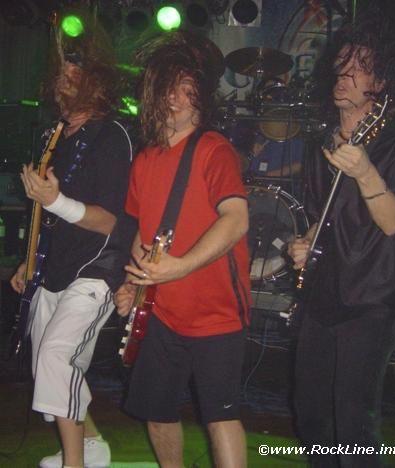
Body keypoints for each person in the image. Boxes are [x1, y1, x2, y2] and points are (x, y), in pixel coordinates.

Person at [287, 9, 395, 468]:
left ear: (382, 82)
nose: (344, 75)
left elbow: (393, 222)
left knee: (353, 422)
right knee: (311, 415)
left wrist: (366, 171)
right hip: (324, 291)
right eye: (342, 63)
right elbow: (322, 218)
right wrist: (303, 243)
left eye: (359, 67)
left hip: (373, 297)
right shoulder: (322, 144)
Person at [114, 30, 250, 468]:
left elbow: (236, 219)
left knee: (220, 417)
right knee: (156, 412)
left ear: (201, 97)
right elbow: (142, 235)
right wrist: (134, 284)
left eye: (185, 89)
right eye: (168, 87)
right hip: (161, 311)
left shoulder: (214, 150)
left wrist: (182, 266)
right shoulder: (144, 159)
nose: (175, 98)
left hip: (216, 312)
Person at [10, 10, 132, 468]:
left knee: (58, 357)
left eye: (73, 71)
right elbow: (45, 213)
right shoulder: (55, 134)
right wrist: (28, 259)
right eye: (60, 72)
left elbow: (110, 221)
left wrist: (56, 200)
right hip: (54, 266)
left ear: (95, 81)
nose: (63, 79)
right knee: (51, 365)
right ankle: (93, 445)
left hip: (96, 268)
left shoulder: (113, 136)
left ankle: (75, 462)